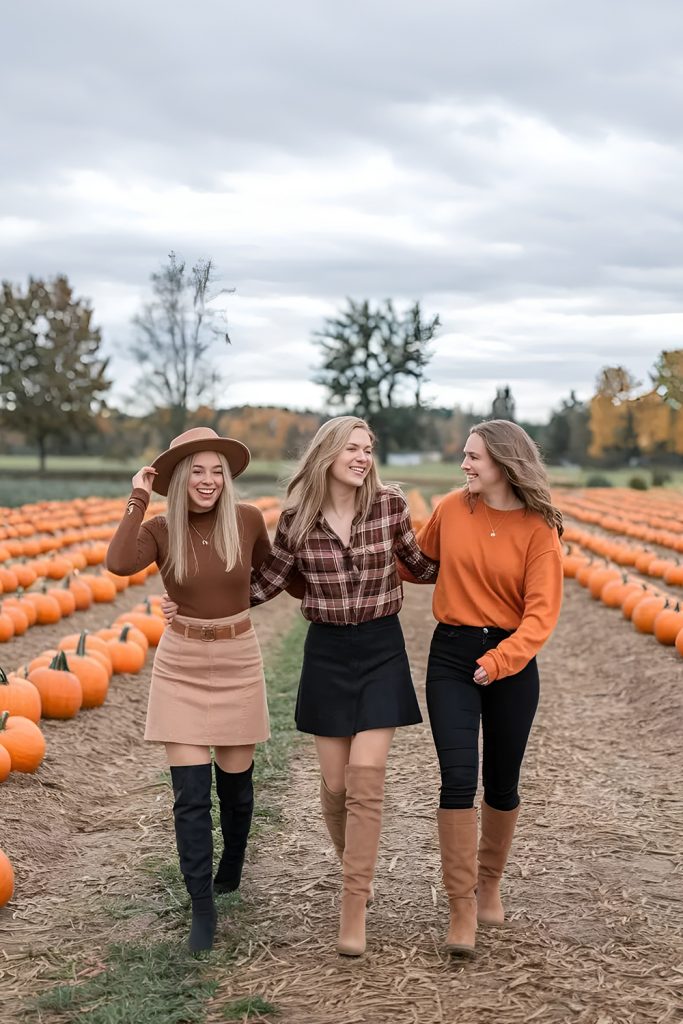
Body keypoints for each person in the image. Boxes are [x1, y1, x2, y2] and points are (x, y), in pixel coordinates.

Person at [249, 416, 439, 957]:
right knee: (336, 786)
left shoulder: (390, 506)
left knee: (366, 778)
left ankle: (353, 907)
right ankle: (350, 862)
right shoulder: (297, 520)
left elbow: (423, 565)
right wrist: (194, 599)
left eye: (368, 449)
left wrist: (493, 546)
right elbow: (265, 584)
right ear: (327, 453)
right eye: (353, 448)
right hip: (327, 653)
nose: (362, 457)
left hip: (381, 648)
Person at [106, 427, 275, 954]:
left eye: (216, 471)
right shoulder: (161, 529)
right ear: (179, 478)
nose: (208, 480)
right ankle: (202, 908)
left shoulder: (247, 520)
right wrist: (138, 497)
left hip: (238, 656)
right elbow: (118, 562)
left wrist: (234, 606)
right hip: (180, 661)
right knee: (190, 796)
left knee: (236, 786)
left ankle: (233, 863)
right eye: (196, 470)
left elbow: (272, 574)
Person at [398, 419, 563, 956]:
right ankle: (461, 907)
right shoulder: (451, 508)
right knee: (457, 779)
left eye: (474, 457)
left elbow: (541, 616)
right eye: (465, 455)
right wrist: (367, 538)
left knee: (501, 781)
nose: (463, 464)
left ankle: (489, 884)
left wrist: (500, 660)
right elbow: (417, 565)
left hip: (511, 662)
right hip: (451, 654)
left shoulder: (538, 529)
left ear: (504, 464)